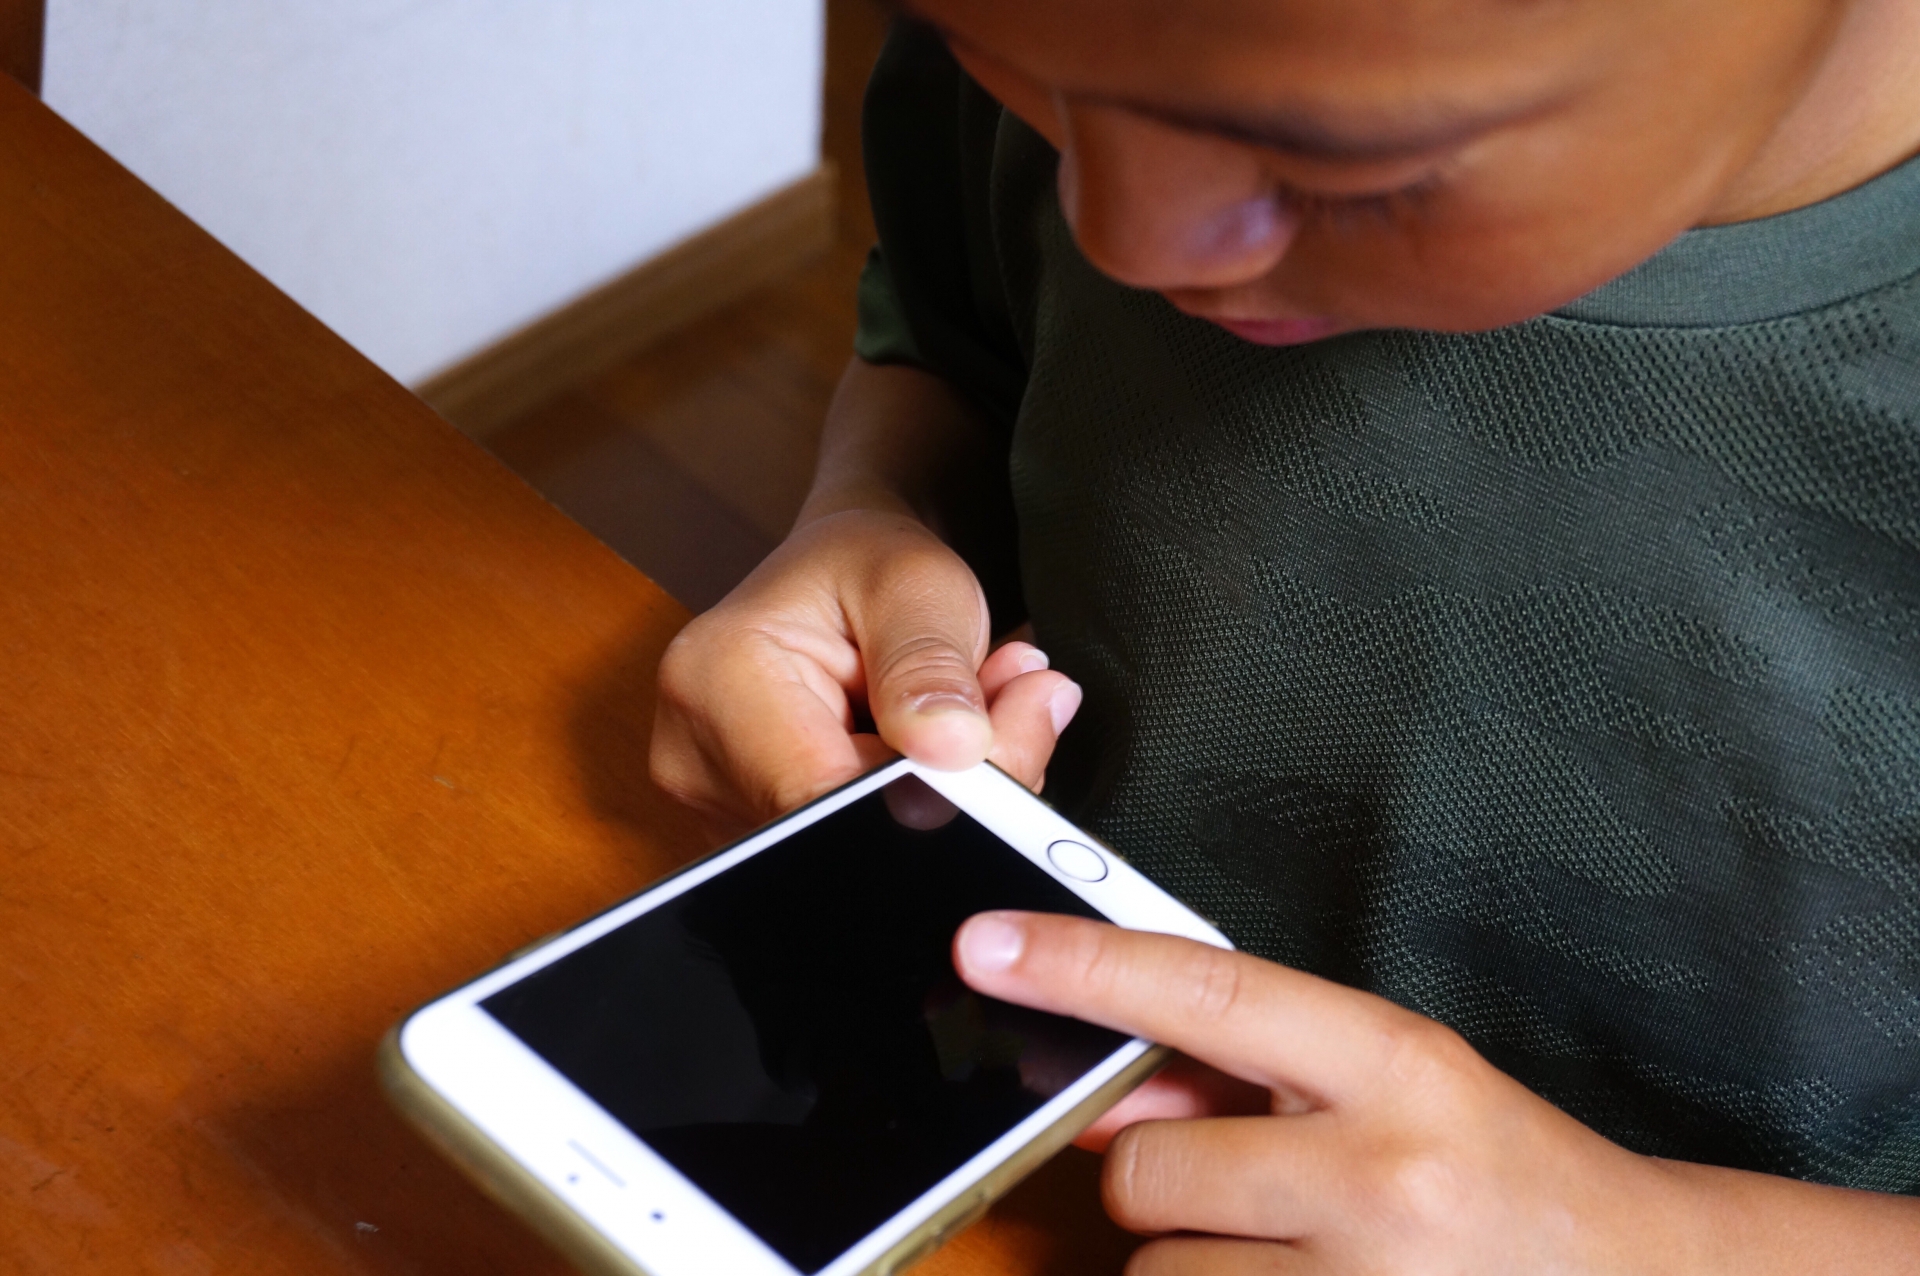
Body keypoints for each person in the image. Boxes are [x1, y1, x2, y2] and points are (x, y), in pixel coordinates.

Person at [651, 0, 1920, 1267]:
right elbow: (958, 343)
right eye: (1013, 71)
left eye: (1345, 165)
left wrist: (1655, 1246)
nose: (1128, 238)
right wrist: (874, 508)